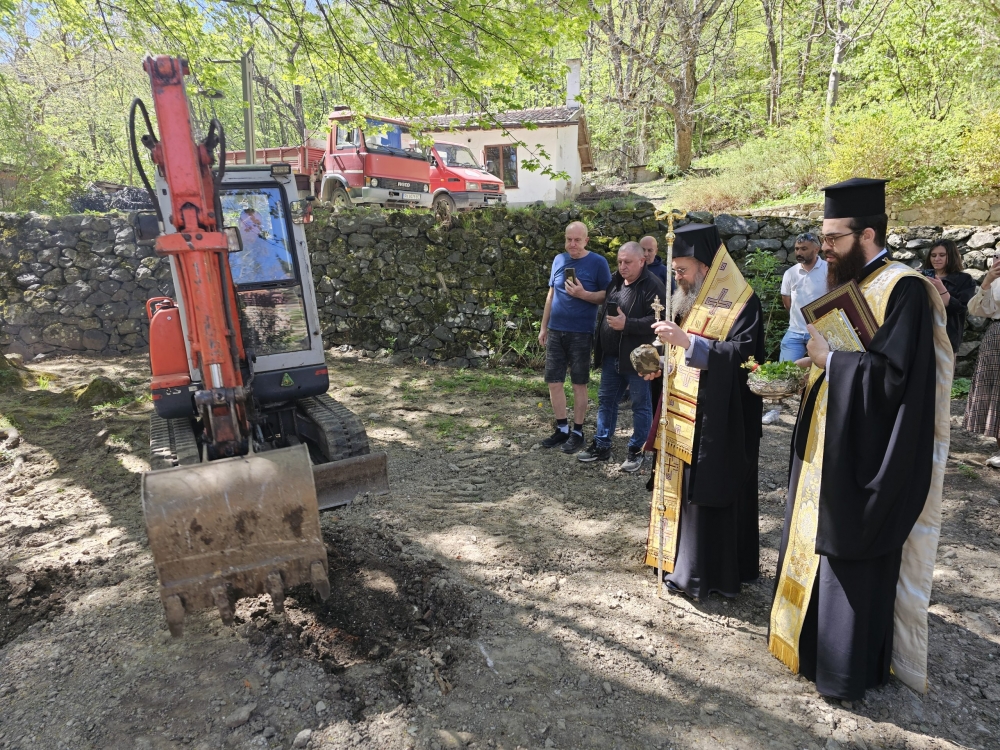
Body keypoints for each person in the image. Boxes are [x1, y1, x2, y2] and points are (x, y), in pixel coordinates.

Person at [769, 177, 952, 702]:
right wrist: (808, 367)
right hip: (830, 434)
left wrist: (835, 363)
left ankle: (845, 668)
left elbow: (898, 380)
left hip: (869, 452)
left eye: (832, 238)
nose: (823, 248)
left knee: (849, 545)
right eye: (823, 239)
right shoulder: (847, 281)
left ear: (867, 233)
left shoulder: (904, 288)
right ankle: (805, 644)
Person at [641, 223, 764, 600]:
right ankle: (675, 557)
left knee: (709, 491)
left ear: (707, 267)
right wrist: (661, 364)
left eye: (683, 270)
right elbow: (678, 353)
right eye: (674, 270)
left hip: (720, 419)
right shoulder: (686, 299)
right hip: (683, 409)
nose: (676, 277)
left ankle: (703, 571)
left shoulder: (743, 302)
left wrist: (688, 342)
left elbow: (746, 358)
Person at [579, 242, 666, 470]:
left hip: (640, 357)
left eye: (627, 262)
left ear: (642, 261)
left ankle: (637, 450)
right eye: (619, 261)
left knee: (640, 404)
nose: (622, 266)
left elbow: (658, 322)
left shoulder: (653, 286)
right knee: (606, 401)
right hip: (612, 356)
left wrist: (627, 324)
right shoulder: (616, 280)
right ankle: (602, 445)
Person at [538, 221, 613, 453]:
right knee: (554, 382)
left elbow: (607, 296)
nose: (572, 244)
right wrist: (544, 327)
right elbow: (551, 295)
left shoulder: (598, 263)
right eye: (569, 239)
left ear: (586, 240)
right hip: (556, 330)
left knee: (579, 384)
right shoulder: (559, 260)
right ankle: (562, 429)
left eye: (577, 240)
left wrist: (583, 294)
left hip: (581, 332)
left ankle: (578, 431)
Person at [762, 233, 828, 424]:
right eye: (797, 249)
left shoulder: (829, 269)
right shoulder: (790, 273)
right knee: (783, 372)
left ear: (817, 249)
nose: (798, 252)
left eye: (804, 249)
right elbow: (787, 302)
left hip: (819, 335)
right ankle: (775, 410)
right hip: (795, 331)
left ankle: (817, 415)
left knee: (821, 375)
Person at [962, 256, 1000, 467]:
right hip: (997, 334)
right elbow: (976, 310)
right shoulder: (996, 277)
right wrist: (987, 282)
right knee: (996, 394)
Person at [922, 239, 975, 354]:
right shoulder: (922, 277)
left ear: (951, 256)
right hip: (922, 334)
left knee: (945, 371)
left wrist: (941, 289)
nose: (936, 259)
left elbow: (959, 308)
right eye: (933, 255)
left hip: (947, 336)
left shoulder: (964, 279)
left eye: (942, 255)